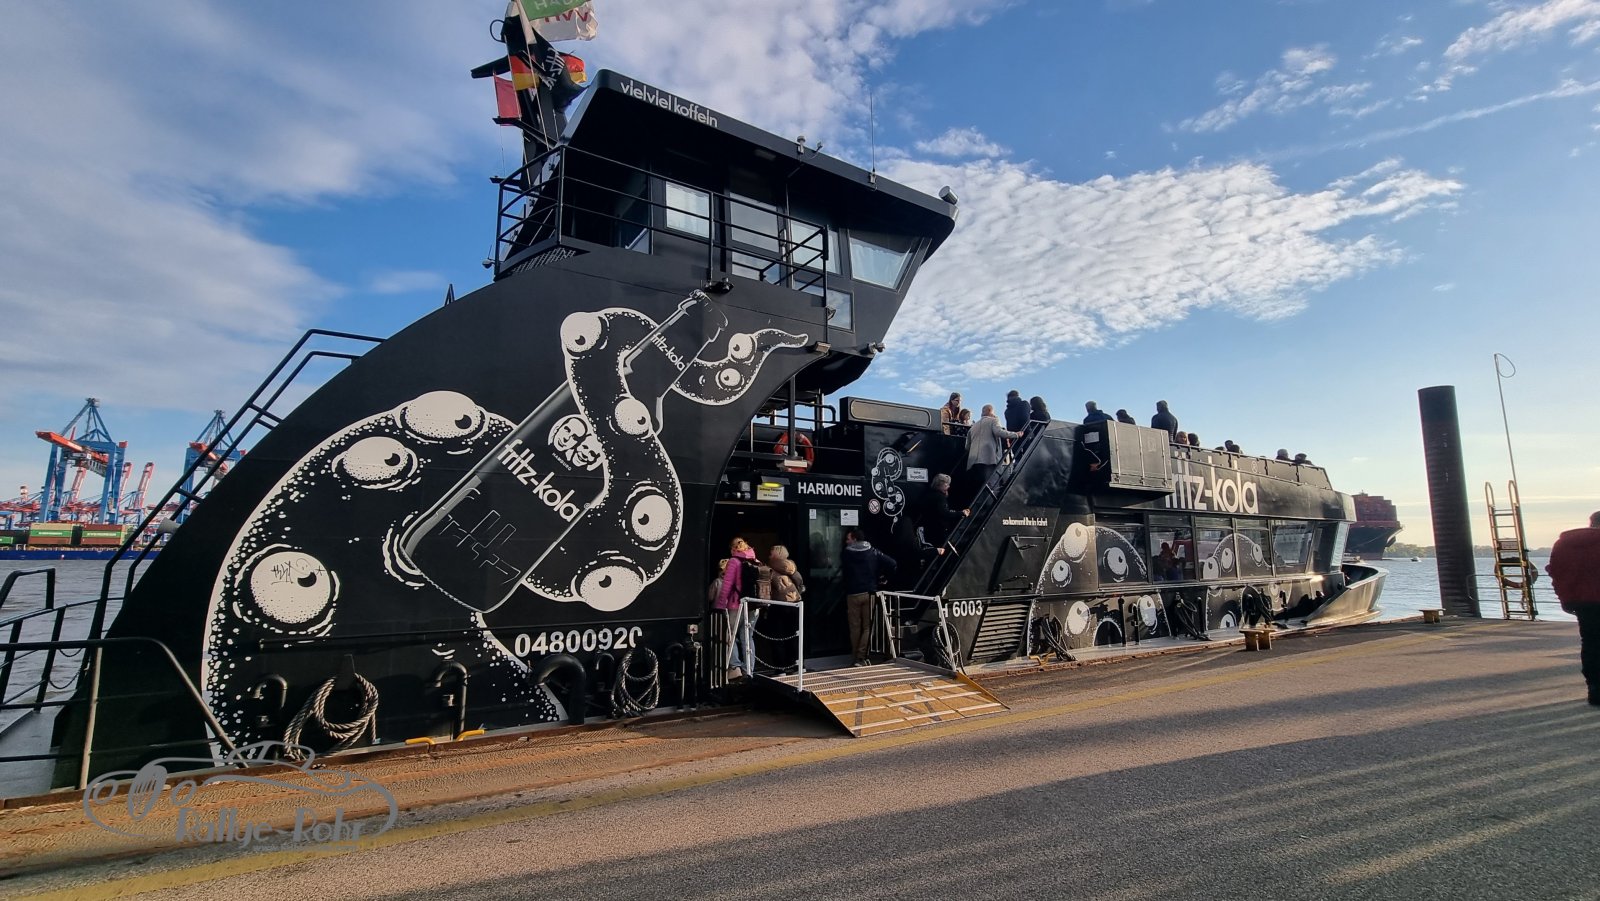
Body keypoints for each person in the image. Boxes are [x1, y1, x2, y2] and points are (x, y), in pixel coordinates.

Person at [1545, 512, 1600, 706]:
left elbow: (1555, 572)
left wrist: (1565, 598)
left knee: (1591, 642)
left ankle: (1595, 687)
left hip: (1581, 602)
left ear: (1591, 523)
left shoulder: (1563, 544)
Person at [841, 528, 897, 666]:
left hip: (852, 594)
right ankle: (861, 657)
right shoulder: (873, 551)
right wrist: (882, 577)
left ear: (854, 539)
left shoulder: (846, 554)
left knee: (854, 628)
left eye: (848, 539)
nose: (846, 541)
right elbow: (892, 563)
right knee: (868, 627)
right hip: (869, 593)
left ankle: (855, 656)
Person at [713, 538, 759, 680]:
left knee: (729, 635)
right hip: (753, 605)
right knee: (748, 637)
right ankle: (749, 669)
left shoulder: (734, 561)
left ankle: (735, 667)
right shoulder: (755, 560)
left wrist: (720, 605)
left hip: (736, 605)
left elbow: (727, 585)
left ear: (733, 549)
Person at [962, 404, 1023, 506]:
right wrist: (1016, 434)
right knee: (991, 486)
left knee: (978, 488)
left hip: (973, 462)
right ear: (990, 411)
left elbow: (967, 446)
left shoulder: (973, 427)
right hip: (988, 459)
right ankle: (988, 508)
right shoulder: (993, 421)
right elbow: (1000, 432)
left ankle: (977, 509)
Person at [917, 473, 969, 556]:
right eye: (946, 484)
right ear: (940, 485)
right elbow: (944, 513)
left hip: (929, 528)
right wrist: (961, 513)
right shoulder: (940, 497)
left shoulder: (929, 495)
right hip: (938, 530)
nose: (948, 486)